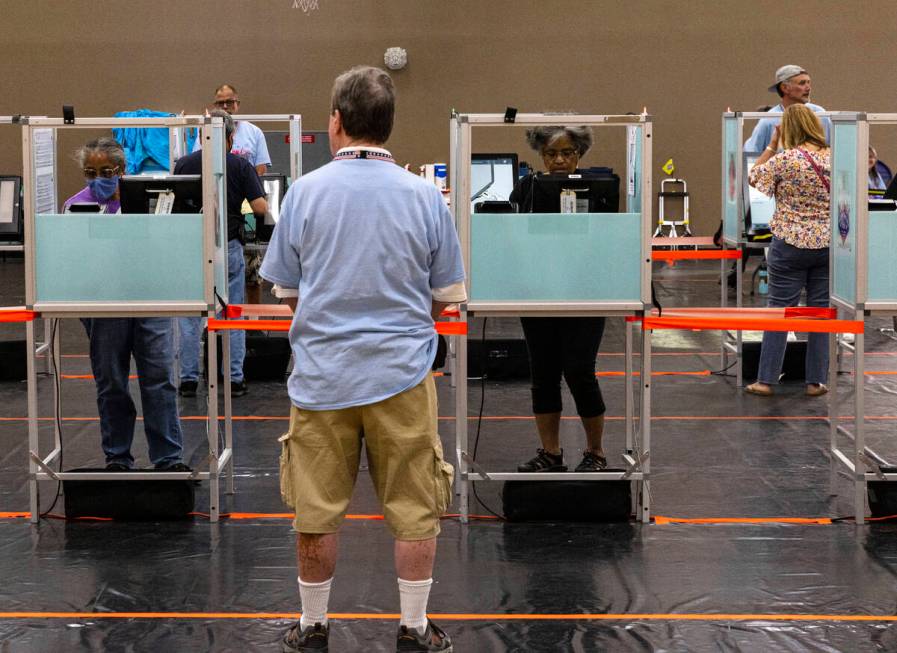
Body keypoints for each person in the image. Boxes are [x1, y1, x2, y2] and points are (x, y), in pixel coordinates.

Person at [260, 66, 464, 653]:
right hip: (402, 375)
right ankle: (413, 628)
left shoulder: (304, 193)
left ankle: (313, 625)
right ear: (388, 124)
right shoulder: (425, 196)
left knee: (316, 509)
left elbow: (287, 290)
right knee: (415, 506)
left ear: (337, 122)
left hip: (322, 378)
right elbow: (444, 292)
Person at [63, 138, 188, 471]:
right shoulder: (75, 206)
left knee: (159, 379)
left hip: (151, 301)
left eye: (106, 171)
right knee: (112, 383)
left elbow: (166, 247)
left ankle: (168, 458)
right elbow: (73, 260)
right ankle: (117, 457)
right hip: (105, 306)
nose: (98, 178)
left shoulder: (147, 202)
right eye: (90, 172)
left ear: (123, 170)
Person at [508, 126, 608, 474]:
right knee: (544, 374)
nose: (559, 160)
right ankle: (550, 452)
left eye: (567, 152)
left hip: (586, 294)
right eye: (551, 154)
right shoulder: (526, 188)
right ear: (541, 156)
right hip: (538, 292)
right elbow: (511, 236)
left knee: (580, 372)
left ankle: (595, 452)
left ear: (579, 154)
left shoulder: (598, 189)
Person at [175, 110, 267, 398]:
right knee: (232, 312)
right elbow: (261, 207)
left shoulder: (184, 164)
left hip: (191, 246)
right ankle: (235, 377)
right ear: (230, 137)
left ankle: (188, 379)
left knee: (190, 316)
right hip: (228, 244)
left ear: (203, 135)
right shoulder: (240, 165)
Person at [745, 104, 831, 397]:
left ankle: (766, 380)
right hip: (828, 245)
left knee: (780, 311)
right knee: (820, 313)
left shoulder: (786, 160)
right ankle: (815, 382)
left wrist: (771, 145)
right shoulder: (836, 158)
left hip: (789, 244)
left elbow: (753, 178)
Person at [745, 65, 831, 152]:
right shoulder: (769, 120)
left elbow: (835, 150)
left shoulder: (820, 114)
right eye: (802, 83)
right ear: (785, 88)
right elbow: (750, 155)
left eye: (809, 82)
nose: (808, 88)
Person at [193, 83, 271, 176]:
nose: (225, 106)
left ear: (237, 104)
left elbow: (261, 169)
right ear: (215, 106)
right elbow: (197, 162)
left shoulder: (255, 132)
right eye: (221, 103)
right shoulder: (206, 131)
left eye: (229, 102)